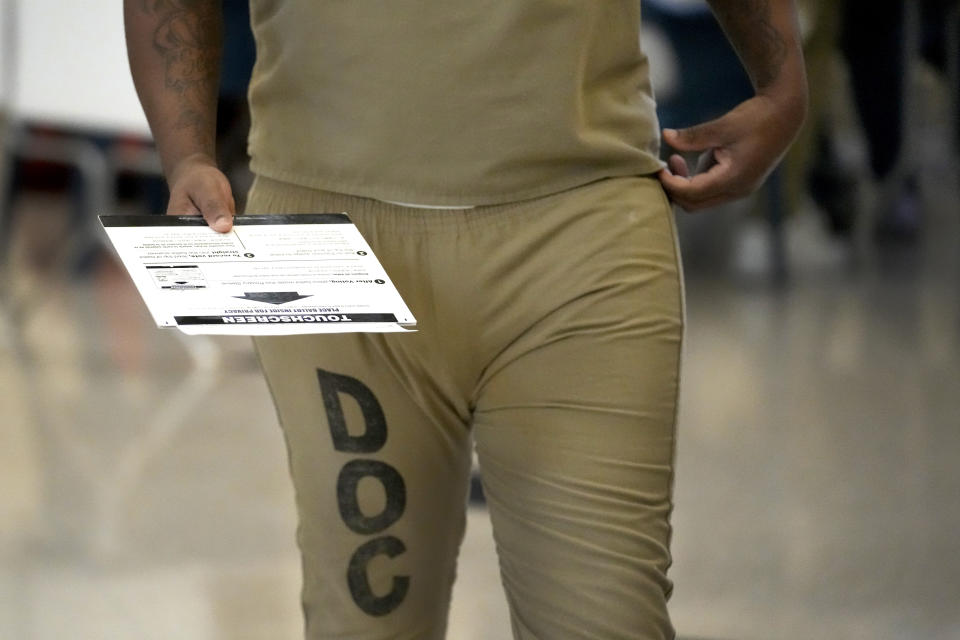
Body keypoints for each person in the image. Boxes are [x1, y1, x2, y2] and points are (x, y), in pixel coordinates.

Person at [124, 1, 807, 638]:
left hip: (580, 223)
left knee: (605, 619)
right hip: (330, 235)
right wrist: (185, 152)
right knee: (364, 618)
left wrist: (782, 88)